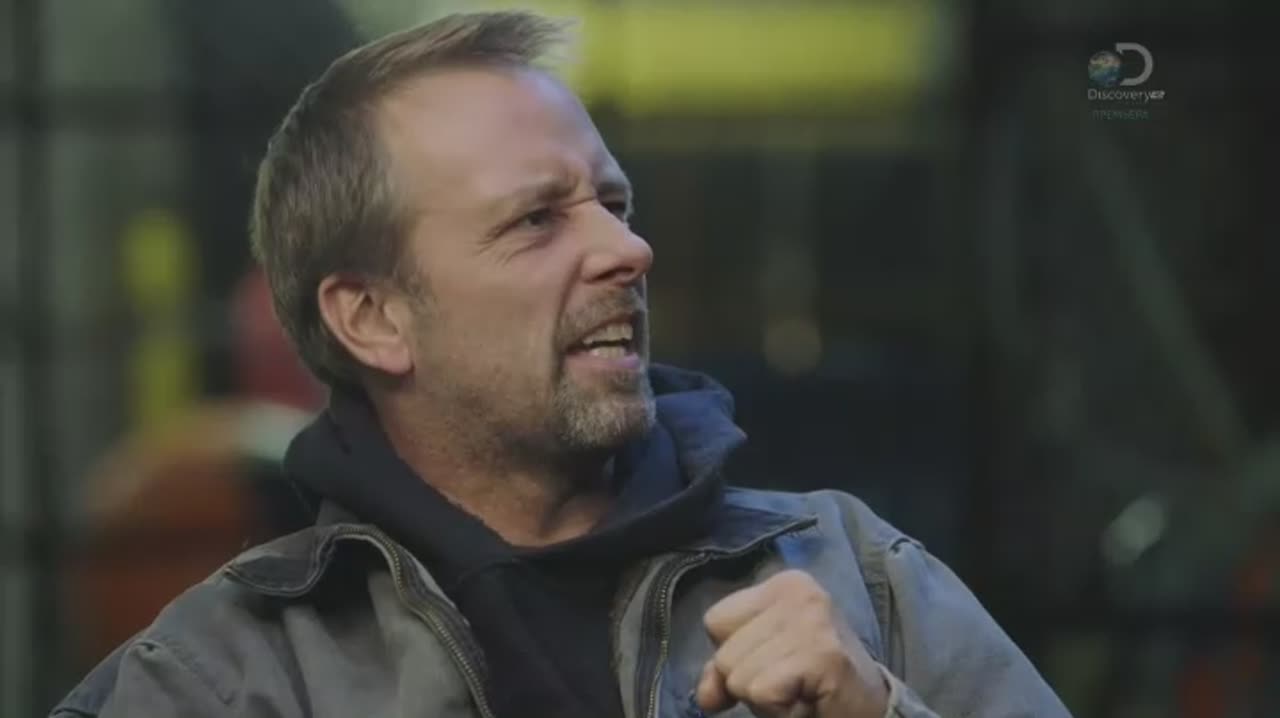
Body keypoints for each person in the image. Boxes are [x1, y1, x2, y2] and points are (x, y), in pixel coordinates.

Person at [53, 11, 1070, 718]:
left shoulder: (859, 580)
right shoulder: (223, 680)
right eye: (536, 220)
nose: (628, 250)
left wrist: (878, 710)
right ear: (372, 318)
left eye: (613, 204)